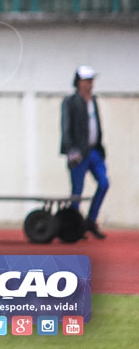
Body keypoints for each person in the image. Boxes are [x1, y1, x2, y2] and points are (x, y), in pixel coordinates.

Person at [60, 65, 109, 239]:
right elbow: (66, 127)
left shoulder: (93, 101)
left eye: (91, 81)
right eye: (87, 81)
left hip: (94, 151)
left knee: (104, 183)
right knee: (77, 191)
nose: (90, 84)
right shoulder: (70, 101)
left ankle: (90, 220)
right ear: (79, 82)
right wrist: (70, 150)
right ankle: (74, 226)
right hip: (78, 152)